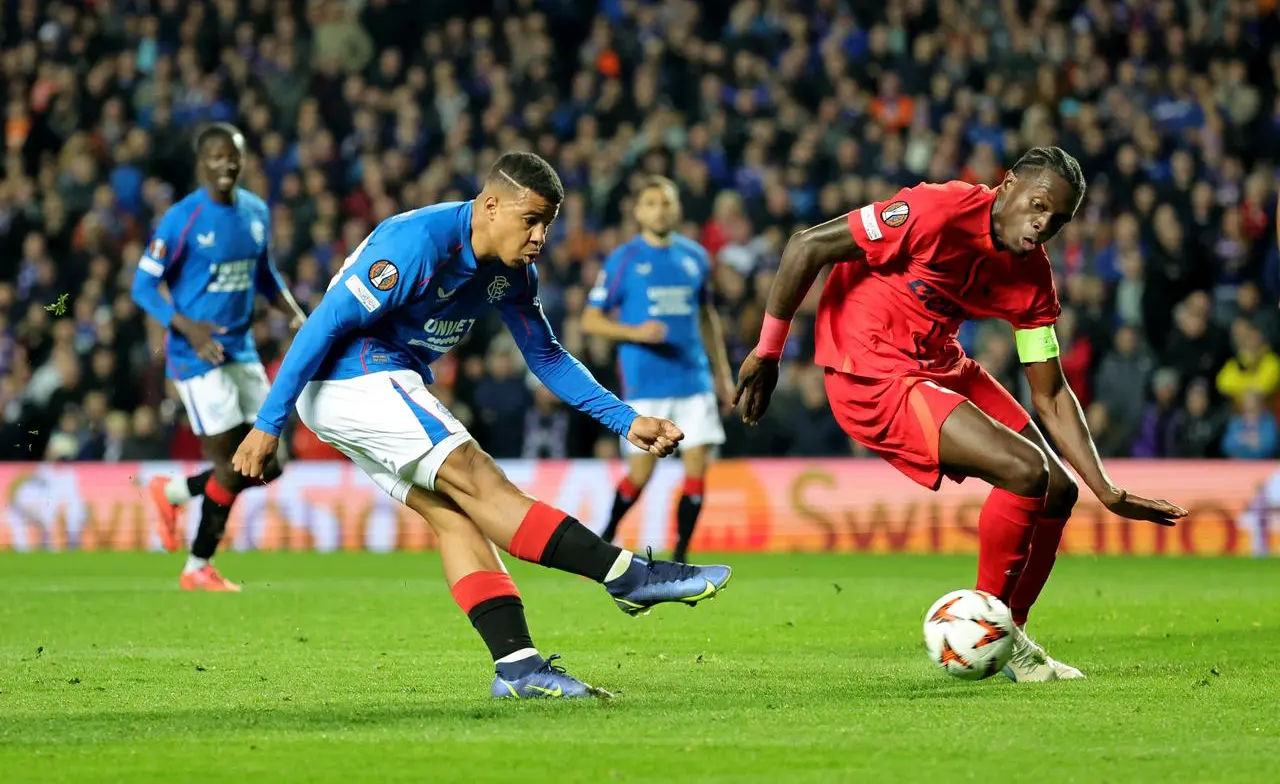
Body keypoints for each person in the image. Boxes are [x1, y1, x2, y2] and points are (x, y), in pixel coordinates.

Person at [231, 151, 732, 700]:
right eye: (531, 220)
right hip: (354, 374)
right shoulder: (418, 244)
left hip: (370, 386)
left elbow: (546, 357)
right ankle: (629, 576)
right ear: (490, 206)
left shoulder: (512, 272)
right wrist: (266, 424)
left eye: (548, 224)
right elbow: (322, 326)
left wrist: (625, 417)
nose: (540, 236)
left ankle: (517, 667)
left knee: (457, 518)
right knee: (477, 476)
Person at [734, 146, 1188, 682]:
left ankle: (1010, 635)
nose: (1043, 225)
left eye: (1058, 220)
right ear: (1010, 182)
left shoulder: (1032, 279)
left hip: (938, 361)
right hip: (873, 371)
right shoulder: (936, 211)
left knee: (1060, 488)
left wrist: (1106, 490)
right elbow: (806, 245)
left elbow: (1053, 393)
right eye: (1038, 205)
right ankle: (989, 628)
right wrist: (768, 352)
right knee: (1024, 471)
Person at [132, 124, 306, 591]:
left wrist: (295, 316)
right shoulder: (181, 219)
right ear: (201, 162)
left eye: (234, 156)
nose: (226, 164)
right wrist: (186, 326)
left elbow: (266, 274)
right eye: (216, 156)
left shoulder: (256, 212)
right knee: (233, 464)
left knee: (272, 462)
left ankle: (171, 493)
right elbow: (142, 286)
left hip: (241, 349)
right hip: (195, 356)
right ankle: (197, 566)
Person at [582, 176, 734, 560]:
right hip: (645, 384)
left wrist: (723, 375)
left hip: (693, 378)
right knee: (641, 475)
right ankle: (606, 534)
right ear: (638, 211)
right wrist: (633, 331)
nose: (659, 210)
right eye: (650, 203)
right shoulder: (624, 259)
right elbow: (590, 320)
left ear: (676, 208)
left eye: (665, 203)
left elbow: (707, 317)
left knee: (697, 467)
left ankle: (681, 554)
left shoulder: (696, 256)